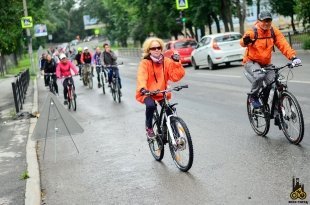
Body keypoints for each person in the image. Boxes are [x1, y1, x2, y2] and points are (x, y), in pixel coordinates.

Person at [240, 11, 301, 110]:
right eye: (264, 21)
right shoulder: (253, 31)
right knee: (260, 76)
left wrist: (293, 57)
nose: (267, 23)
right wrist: (245, 41)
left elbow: (283, 44)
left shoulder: (273, 31)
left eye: (269, 20)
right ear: (259, 21)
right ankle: (253, 96)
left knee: (278, 83)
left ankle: (277, 112)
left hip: (265, 63)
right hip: (251, 62)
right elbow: (242, 42)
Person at [135, 37, 185, 140]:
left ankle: (175, 137)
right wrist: (143, 88)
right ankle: (149, 127)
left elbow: (175, 77)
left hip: (161, 91)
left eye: (159, 47)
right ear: (149, 50)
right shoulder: (145, 63)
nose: (157, 50)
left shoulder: (166, 61)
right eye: (153, 48)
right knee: (151, 106)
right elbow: (141, 77)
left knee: (169, 110)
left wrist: (176, 63)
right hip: (147, 92)